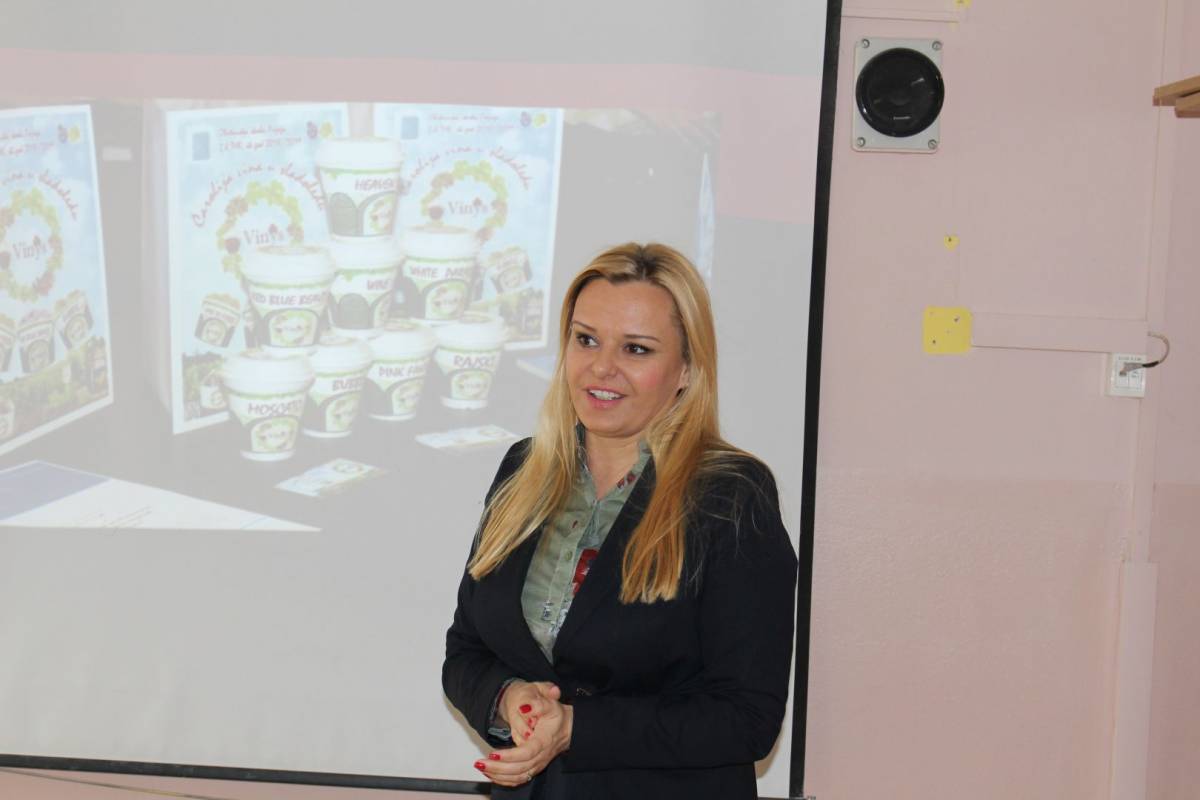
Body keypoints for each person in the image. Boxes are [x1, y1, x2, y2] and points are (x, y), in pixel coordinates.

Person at [443, 242, 798, 799]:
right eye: (586, 339)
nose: (601, 367)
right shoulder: (522, 468)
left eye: (636, 349)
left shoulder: (730, 495)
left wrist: (575, 729)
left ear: (686, 369)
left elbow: (746, 717)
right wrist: (510, 699)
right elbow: (466, 651)